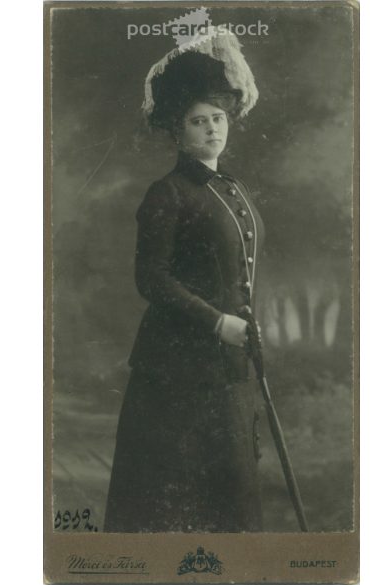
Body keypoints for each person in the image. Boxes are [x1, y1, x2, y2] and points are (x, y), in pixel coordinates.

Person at [104, 32, 264, 533]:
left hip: (228, 362)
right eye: (199, 122)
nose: (212, 130)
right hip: (177, 366)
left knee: (231, 488)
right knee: (174, 493)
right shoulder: (168, 193)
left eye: (218, 119)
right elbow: (150, 279)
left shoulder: (230, 187)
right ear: (179, 131)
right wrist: (218, 323)